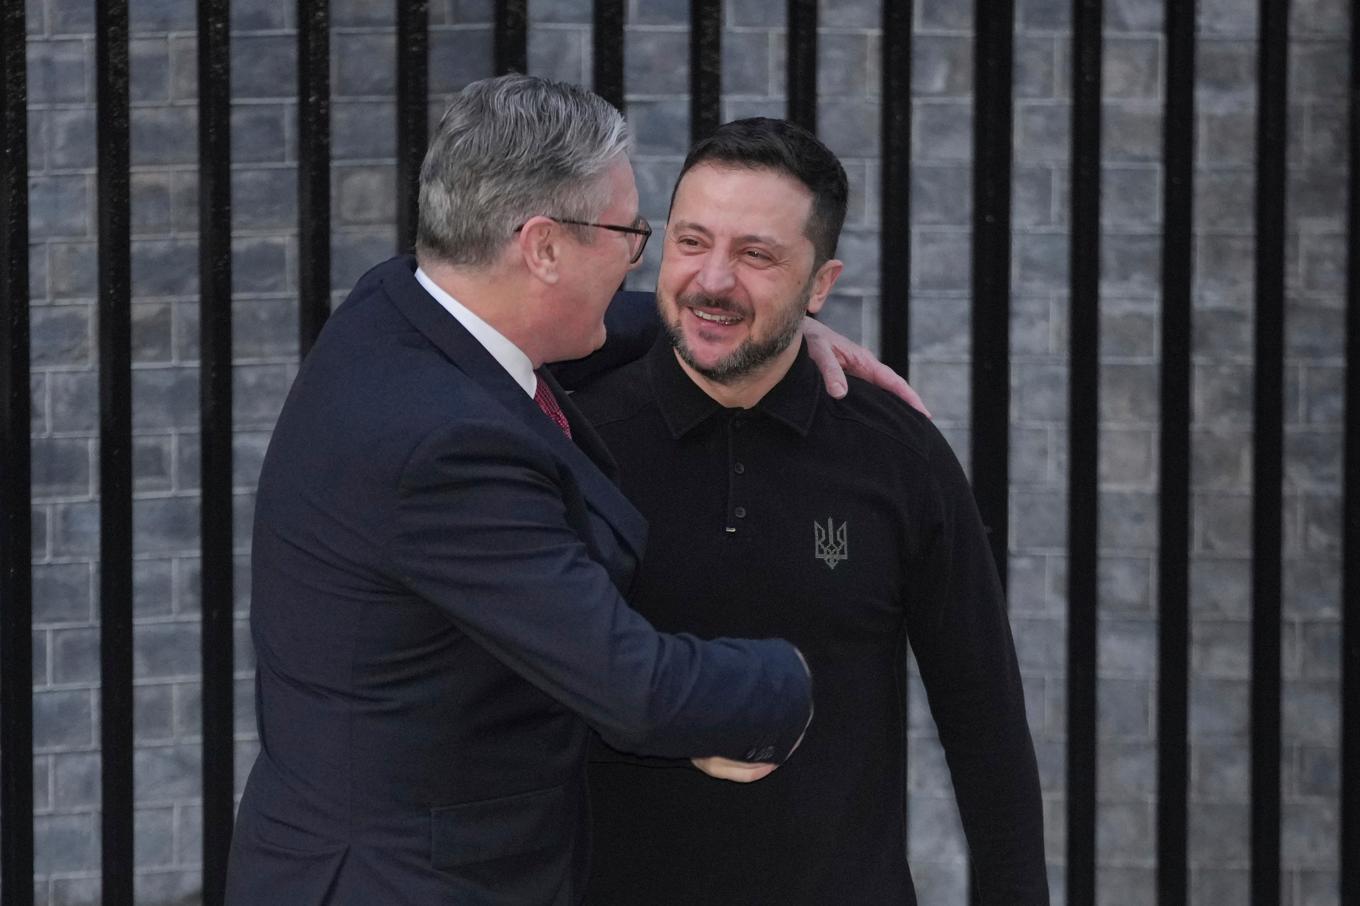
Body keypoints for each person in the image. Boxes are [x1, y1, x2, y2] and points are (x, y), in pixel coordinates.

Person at [224, 76, 914, 906]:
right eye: (629, 233)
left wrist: (754, 321)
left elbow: (600, 324)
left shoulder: (398, 308)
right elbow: (635, 689)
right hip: (408, 882)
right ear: (544, 246)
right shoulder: (444, 449)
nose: (638, 257)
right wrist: (792, 680)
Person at [575, 118, 1049, 904]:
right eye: (692, 242)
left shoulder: (899, 455)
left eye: (757, 254)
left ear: (820, 286)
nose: (713, 279)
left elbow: (985, 722)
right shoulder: (575, 440)